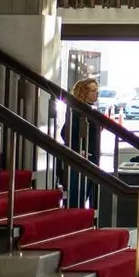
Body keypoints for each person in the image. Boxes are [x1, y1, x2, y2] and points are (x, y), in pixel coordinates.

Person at [59, 77, 101, 208]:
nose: (96, 93)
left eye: (96, 90)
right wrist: (78, 149)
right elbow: (65, 132)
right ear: (84, 93)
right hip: (82, 157)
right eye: (93, 91)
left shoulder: (88, 109)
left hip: (90, 155)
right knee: (77, 194)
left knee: (85, 191)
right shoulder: (77, 110)